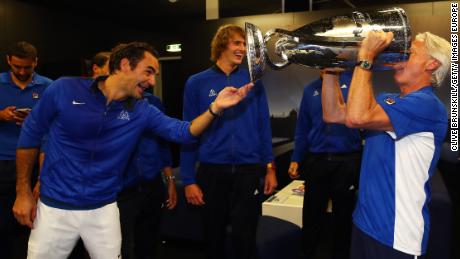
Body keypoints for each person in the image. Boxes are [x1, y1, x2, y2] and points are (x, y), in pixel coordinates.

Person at [12, 41, 253, 259]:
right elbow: (30, 135)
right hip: (55, 208)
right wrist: (22, 191)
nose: (152, 81)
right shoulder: (64, 89)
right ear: (125, 65)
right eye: (148, 72)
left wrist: (215, 107)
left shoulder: (142, 110)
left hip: (103, 209)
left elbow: (184, 132)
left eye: (154, 75)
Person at [321, 31, 450, 259]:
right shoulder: (389, 99)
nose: (399, 59)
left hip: (396, 237)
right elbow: (334, 114)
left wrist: (367, 56)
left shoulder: (428, 105)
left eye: (409, 54)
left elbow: (357, 118)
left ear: (432, 64)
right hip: (365, 224)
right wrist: (330, 69)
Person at [180, 24, 278, 259]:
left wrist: (270, 167)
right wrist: (188, 180)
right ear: (221, 45)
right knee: (213, 235)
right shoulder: (197, 82)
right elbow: (188, 132)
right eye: (237, 43)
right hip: (212, 171)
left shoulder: (253, 82)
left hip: (248, 170)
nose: (242, 49)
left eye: (244, 44)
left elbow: (263, 126)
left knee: (245, 236)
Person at [288, 70, 362, 259]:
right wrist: (296, 158)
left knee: (343, 218)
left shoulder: (353, 83)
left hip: (346, 162)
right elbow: (302, 128)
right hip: (316, 162)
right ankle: (308, 253)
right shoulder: (309, 90)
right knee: (312, 216)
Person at [0, 41, 52, 259]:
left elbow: (58, 125)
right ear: (8, 61)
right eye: (17, 67)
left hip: (37, 162)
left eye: (27, 67)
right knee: (3, 224)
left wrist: (36, 121)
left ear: (36, 63)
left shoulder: (49, 86)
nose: (22, 72)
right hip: (3, 162)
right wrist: (1, 115)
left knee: (35, 223)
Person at [118, 87, 177, 259]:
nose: (150, 80)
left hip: (152, 185)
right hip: (122, 191)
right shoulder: (109, 104)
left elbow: (163, 144)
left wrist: (170, 180)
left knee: (150, 244)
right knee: (122, 247)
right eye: (147, 71)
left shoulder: (153, 102)